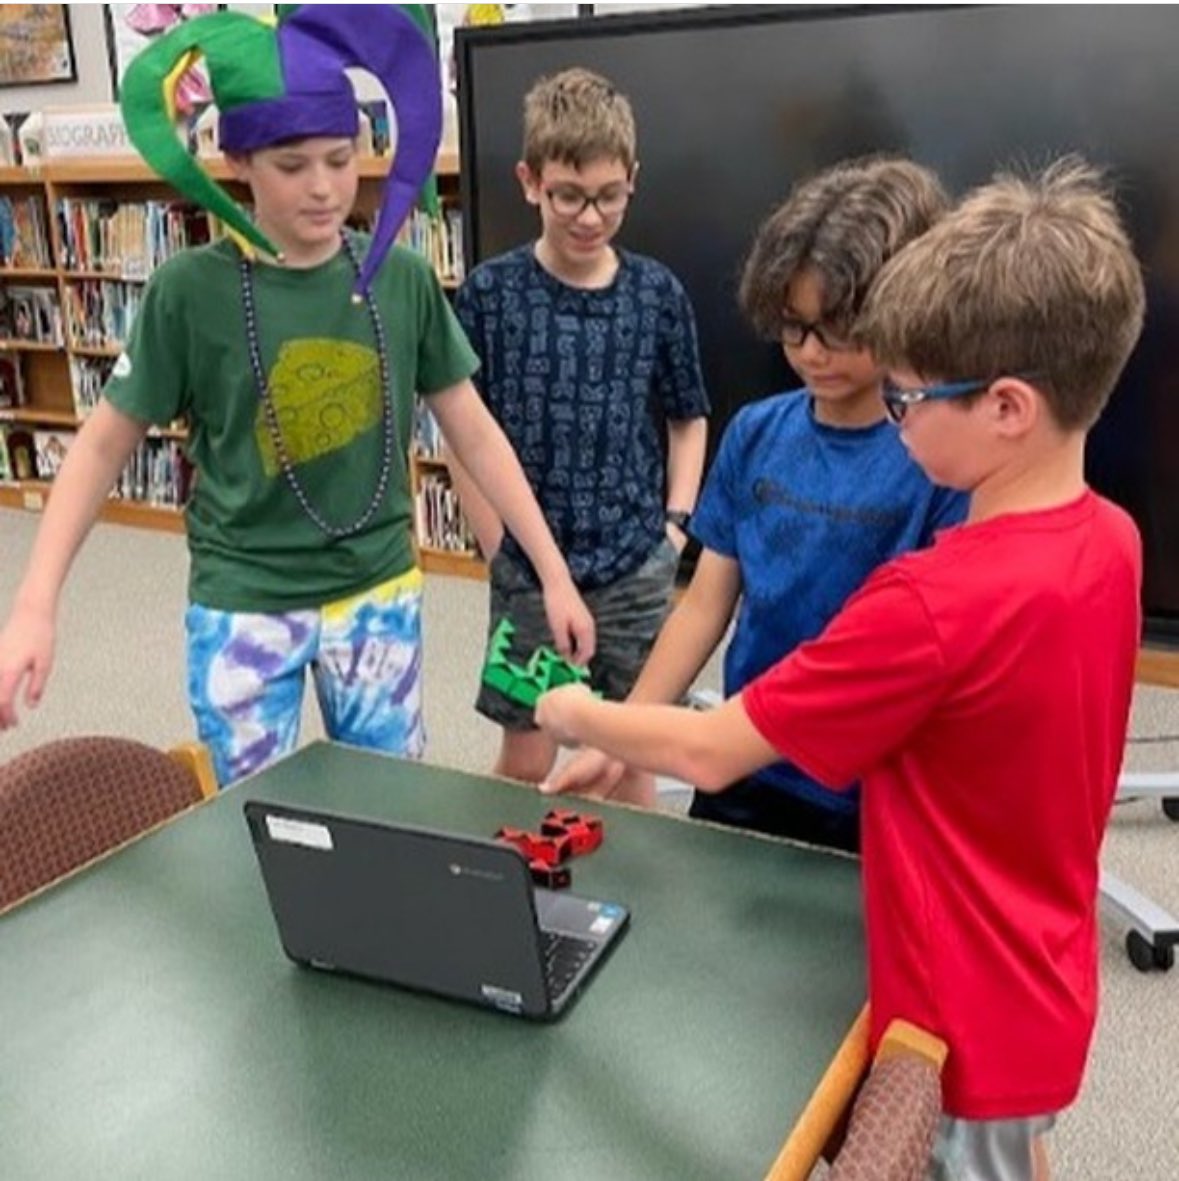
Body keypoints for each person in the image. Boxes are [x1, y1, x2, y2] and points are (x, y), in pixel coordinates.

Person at [535, 157, 1146, 1181]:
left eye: (908, 398)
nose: (896, 422)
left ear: (1004, 406)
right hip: (1038, 963)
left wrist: (580, 712)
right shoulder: (1112, 537)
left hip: (956, 1013)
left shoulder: (933, 602)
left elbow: (715, 747)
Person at [0, 7, 593, 788]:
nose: (322, 187)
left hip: (375, 592)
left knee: (389, 806)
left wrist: (550, 572)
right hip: (244, 601)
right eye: (291, 165)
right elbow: (104, 445)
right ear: (237, 158)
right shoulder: (188, 291)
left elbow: (474, 433)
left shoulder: (402, 276)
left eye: (340, 159)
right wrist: (36, 602)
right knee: (256, 817)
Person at [546, 156, 966, 851]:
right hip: (740, 762)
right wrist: (627, 734)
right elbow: (707, 603)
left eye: (835, 329)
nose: (809, 352)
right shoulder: (757, 431)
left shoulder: (941, 460)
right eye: (791, 326)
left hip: (872, 791)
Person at [447, 67, 710, 784]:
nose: (588, 216)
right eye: (568, 195)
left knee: (629, 759)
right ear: (530, 181)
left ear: (632, 180)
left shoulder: (656, 294)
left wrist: (673, 528)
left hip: (634, 562)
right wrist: (493, 538)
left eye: (607, 196)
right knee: (528, 752)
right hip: (529, 568)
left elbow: (688, 416)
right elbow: (462, 429)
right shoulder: (489, 295)